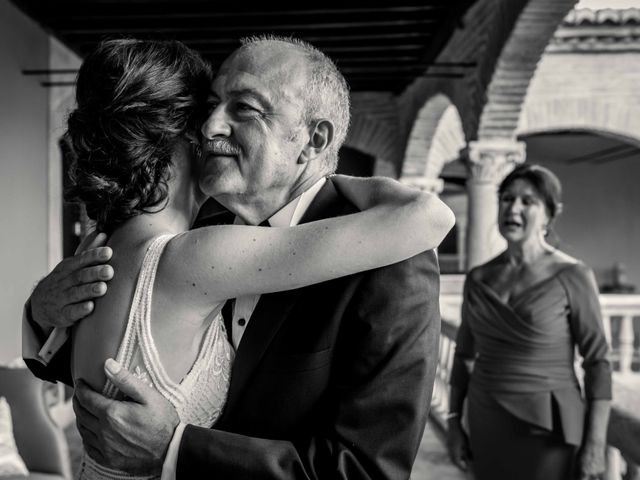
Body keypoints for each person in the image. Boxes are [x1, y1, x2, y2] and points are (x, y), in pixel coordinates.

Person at [23, 36, 452, 479]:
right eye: (209, 105)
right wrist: (41, 313)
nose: (210, 126)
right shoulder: (191, 229)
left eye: (244, 108)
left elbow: (364, 471)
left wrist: (176, 450)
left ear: (313, 139)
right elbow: (109, 381)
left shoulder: (391, 265)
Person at [446, 164, 611, 480]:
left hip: (548, 427)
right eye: (507, 199)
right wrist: (455, 422)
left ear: (549, 215)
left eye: (527, 201)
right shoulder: (479, 278)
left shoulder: (573, 276)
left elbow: (598, 363)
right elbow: (463, 356)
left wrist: (596, 442)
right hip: (486, 420)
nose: (514, 208)